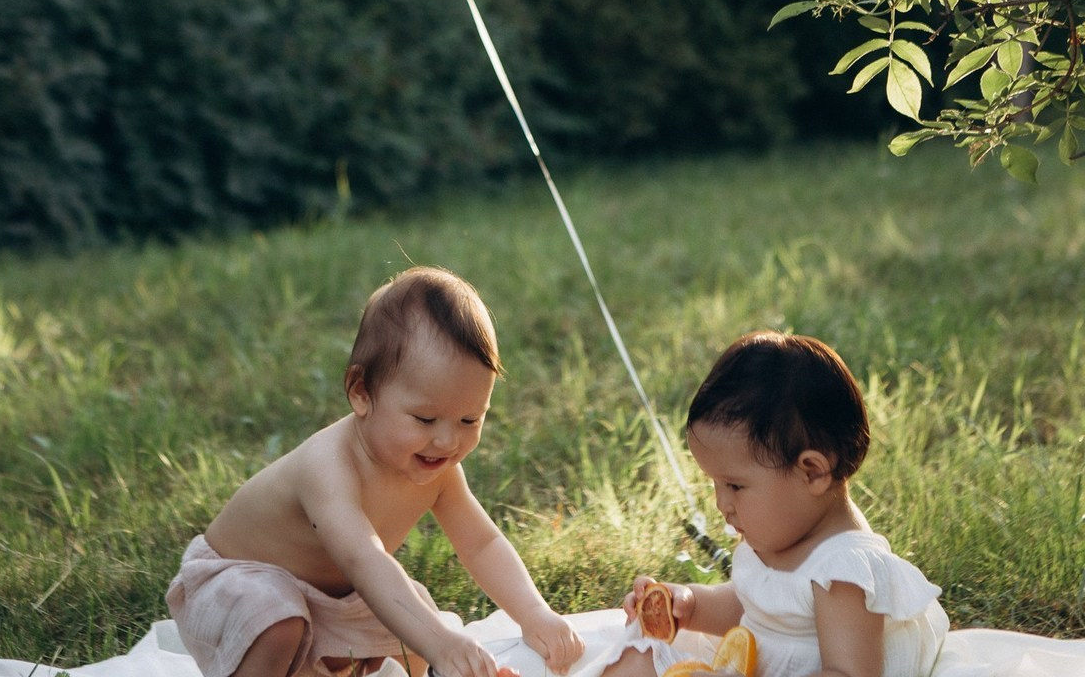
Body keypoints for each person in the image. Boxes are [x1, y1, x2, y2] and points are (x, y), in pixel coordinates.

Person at [166, 266, 585, 677]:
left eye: (469, 420)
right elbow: (363, 559)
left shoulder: (440, 471)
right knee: (280, 620)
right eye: (425, 419)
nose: (447, 441)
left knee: (415, 621)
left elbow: (481, 544)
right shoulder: (328, 466)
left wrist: (534, 613)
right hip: (232, 588)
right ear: (361, 392)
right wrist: (440, 641)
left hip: (329, 599)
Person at [604, 331, 949, 677]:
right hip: (751, 664)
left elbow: (849, 673)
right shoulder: (781, 534)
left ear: (812, 472)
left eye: (735, 485)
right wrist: (691, 606)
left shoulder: (842, 571)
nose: (722, 503)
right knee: (636, 656)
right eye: (715, 484)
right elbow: (754, 608)